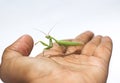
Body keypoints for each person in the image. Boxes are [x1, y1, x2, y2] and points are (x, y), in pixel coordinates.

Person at [0, 31, 113, 83]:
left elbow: (50, 46)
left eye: (48, 36)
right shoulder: (54, 43)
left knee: (73, 44)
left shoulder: (56, 42)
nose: (48, 37)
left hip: (72, 46)